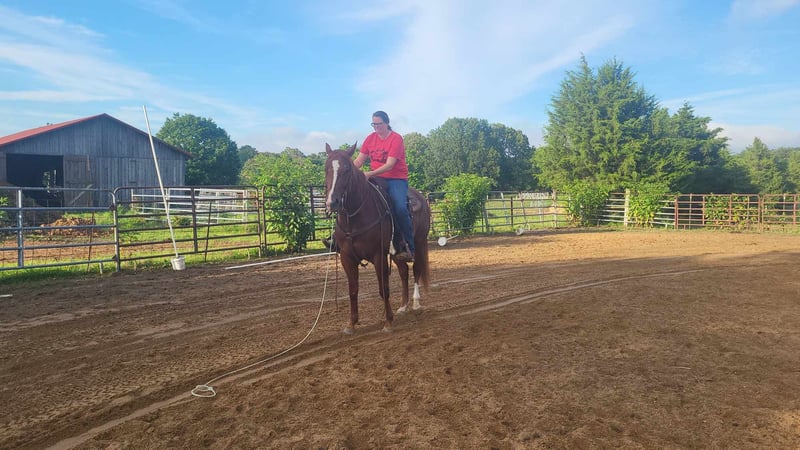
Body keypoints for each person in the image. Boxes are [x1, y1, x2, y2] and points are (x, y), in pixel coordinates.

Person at [353, 110, 415, 262]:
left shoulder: (396, 139)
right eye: (373, 124)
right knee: (352, 197)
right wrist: (348, 172)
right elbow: (359, 160)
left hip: (396, 179)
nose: (376, 127)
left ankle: (408, 246)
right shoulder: (370, 138)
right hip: (376, 178)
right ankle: (340, 238)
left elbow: (390, 165)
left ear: (387, 123)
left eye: (379, 124)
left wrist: (369, 174)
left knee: (400, 207)